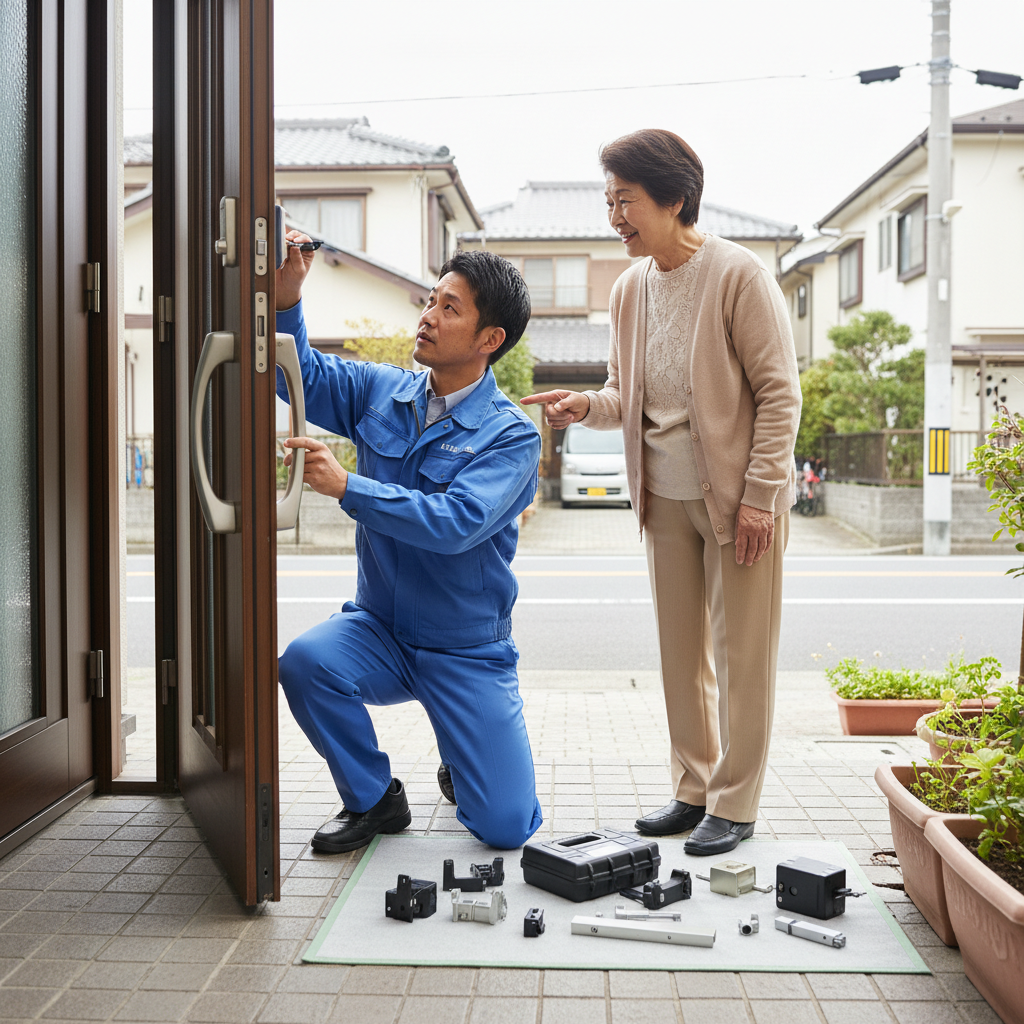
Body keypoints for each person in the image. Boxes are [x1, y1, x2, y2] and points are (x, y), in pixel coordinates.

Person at [523, 129, 801, 856]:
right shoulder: (628, 289)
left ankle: (736, 802)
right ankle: (692, 788)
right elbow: (625, 394)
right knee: (682, 655)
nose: (615, 217)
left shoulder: (738, 275)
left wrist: (761, 496)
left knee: (743, 654)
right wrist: (587, 407)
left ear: (674, 199)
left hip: (741, 504)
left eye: (627, 201)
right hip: (663, 500)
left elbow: (780, 396)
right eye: (609, 201)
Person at [276, 235, 543, 854]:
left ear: (489, 340)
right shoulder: (382, 392)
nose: (427, 316)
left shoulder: (510, 438)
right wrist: (287, 298)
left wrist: (348, 486)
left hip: (465, 650)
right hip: (381, 631)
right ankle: (373, 800)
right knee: (305, 663)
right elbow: (302, 378)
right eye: (430, 300)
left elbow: (455, 522)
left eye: (450, 308)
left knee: (505, 827)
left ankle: (463, 753)